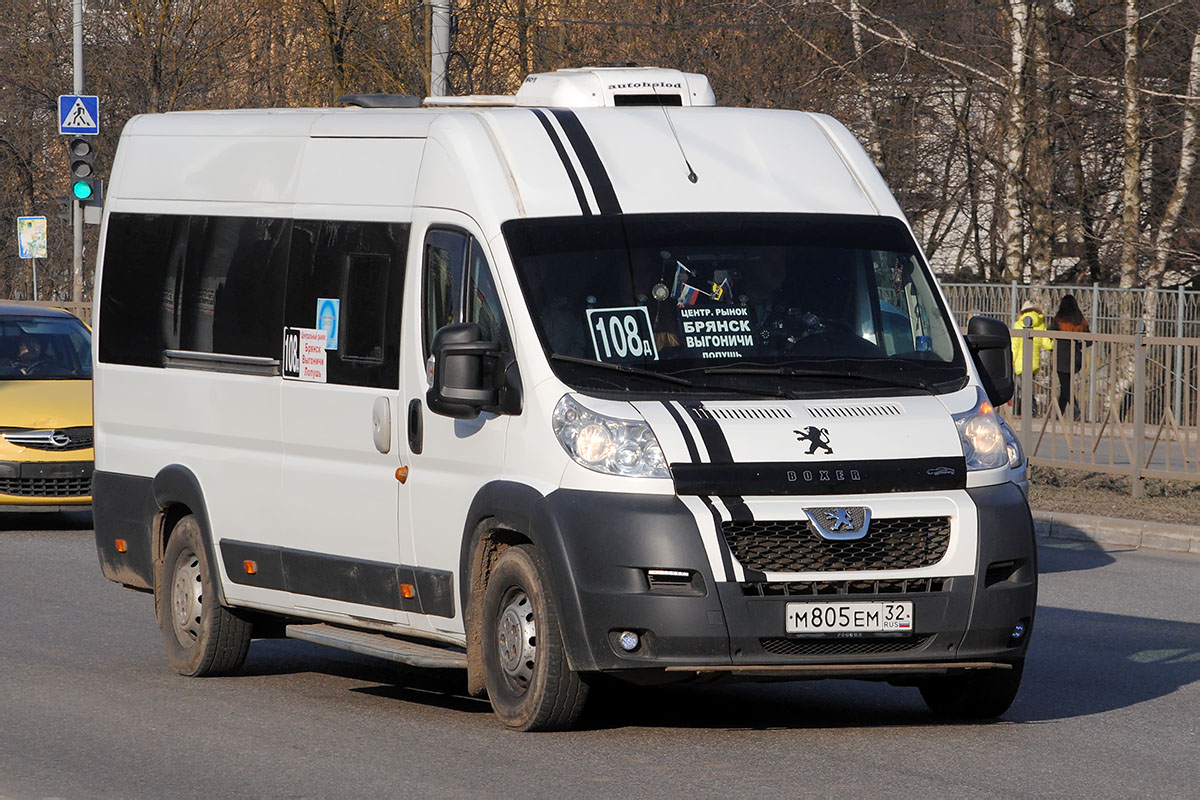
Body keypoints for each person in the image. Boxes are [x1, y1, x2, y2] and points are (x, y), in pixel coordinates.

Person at [1049, 294, 1090, 418]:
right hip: (1076, 356)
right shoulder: (1080, 320)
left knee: (1065, 385)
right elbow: (1089, 340)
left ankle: (1076, 410)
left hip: (1061, 355)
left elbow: (1051, 334)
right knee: (1065, 384)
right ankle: (1058, 414)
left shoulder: (1059, 319)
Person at [1010, 300, 1052, 415]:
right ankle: (1022, 411)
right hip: (1034, 363)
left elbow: (1014, 345)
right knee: (1026, 387)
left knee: (1021, 388)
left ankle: (1030, 411)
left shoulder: (1018, 324)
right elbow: (1048, 345)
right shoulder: (1041, 325)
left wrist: (1011, 358)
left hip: (1020, 362)